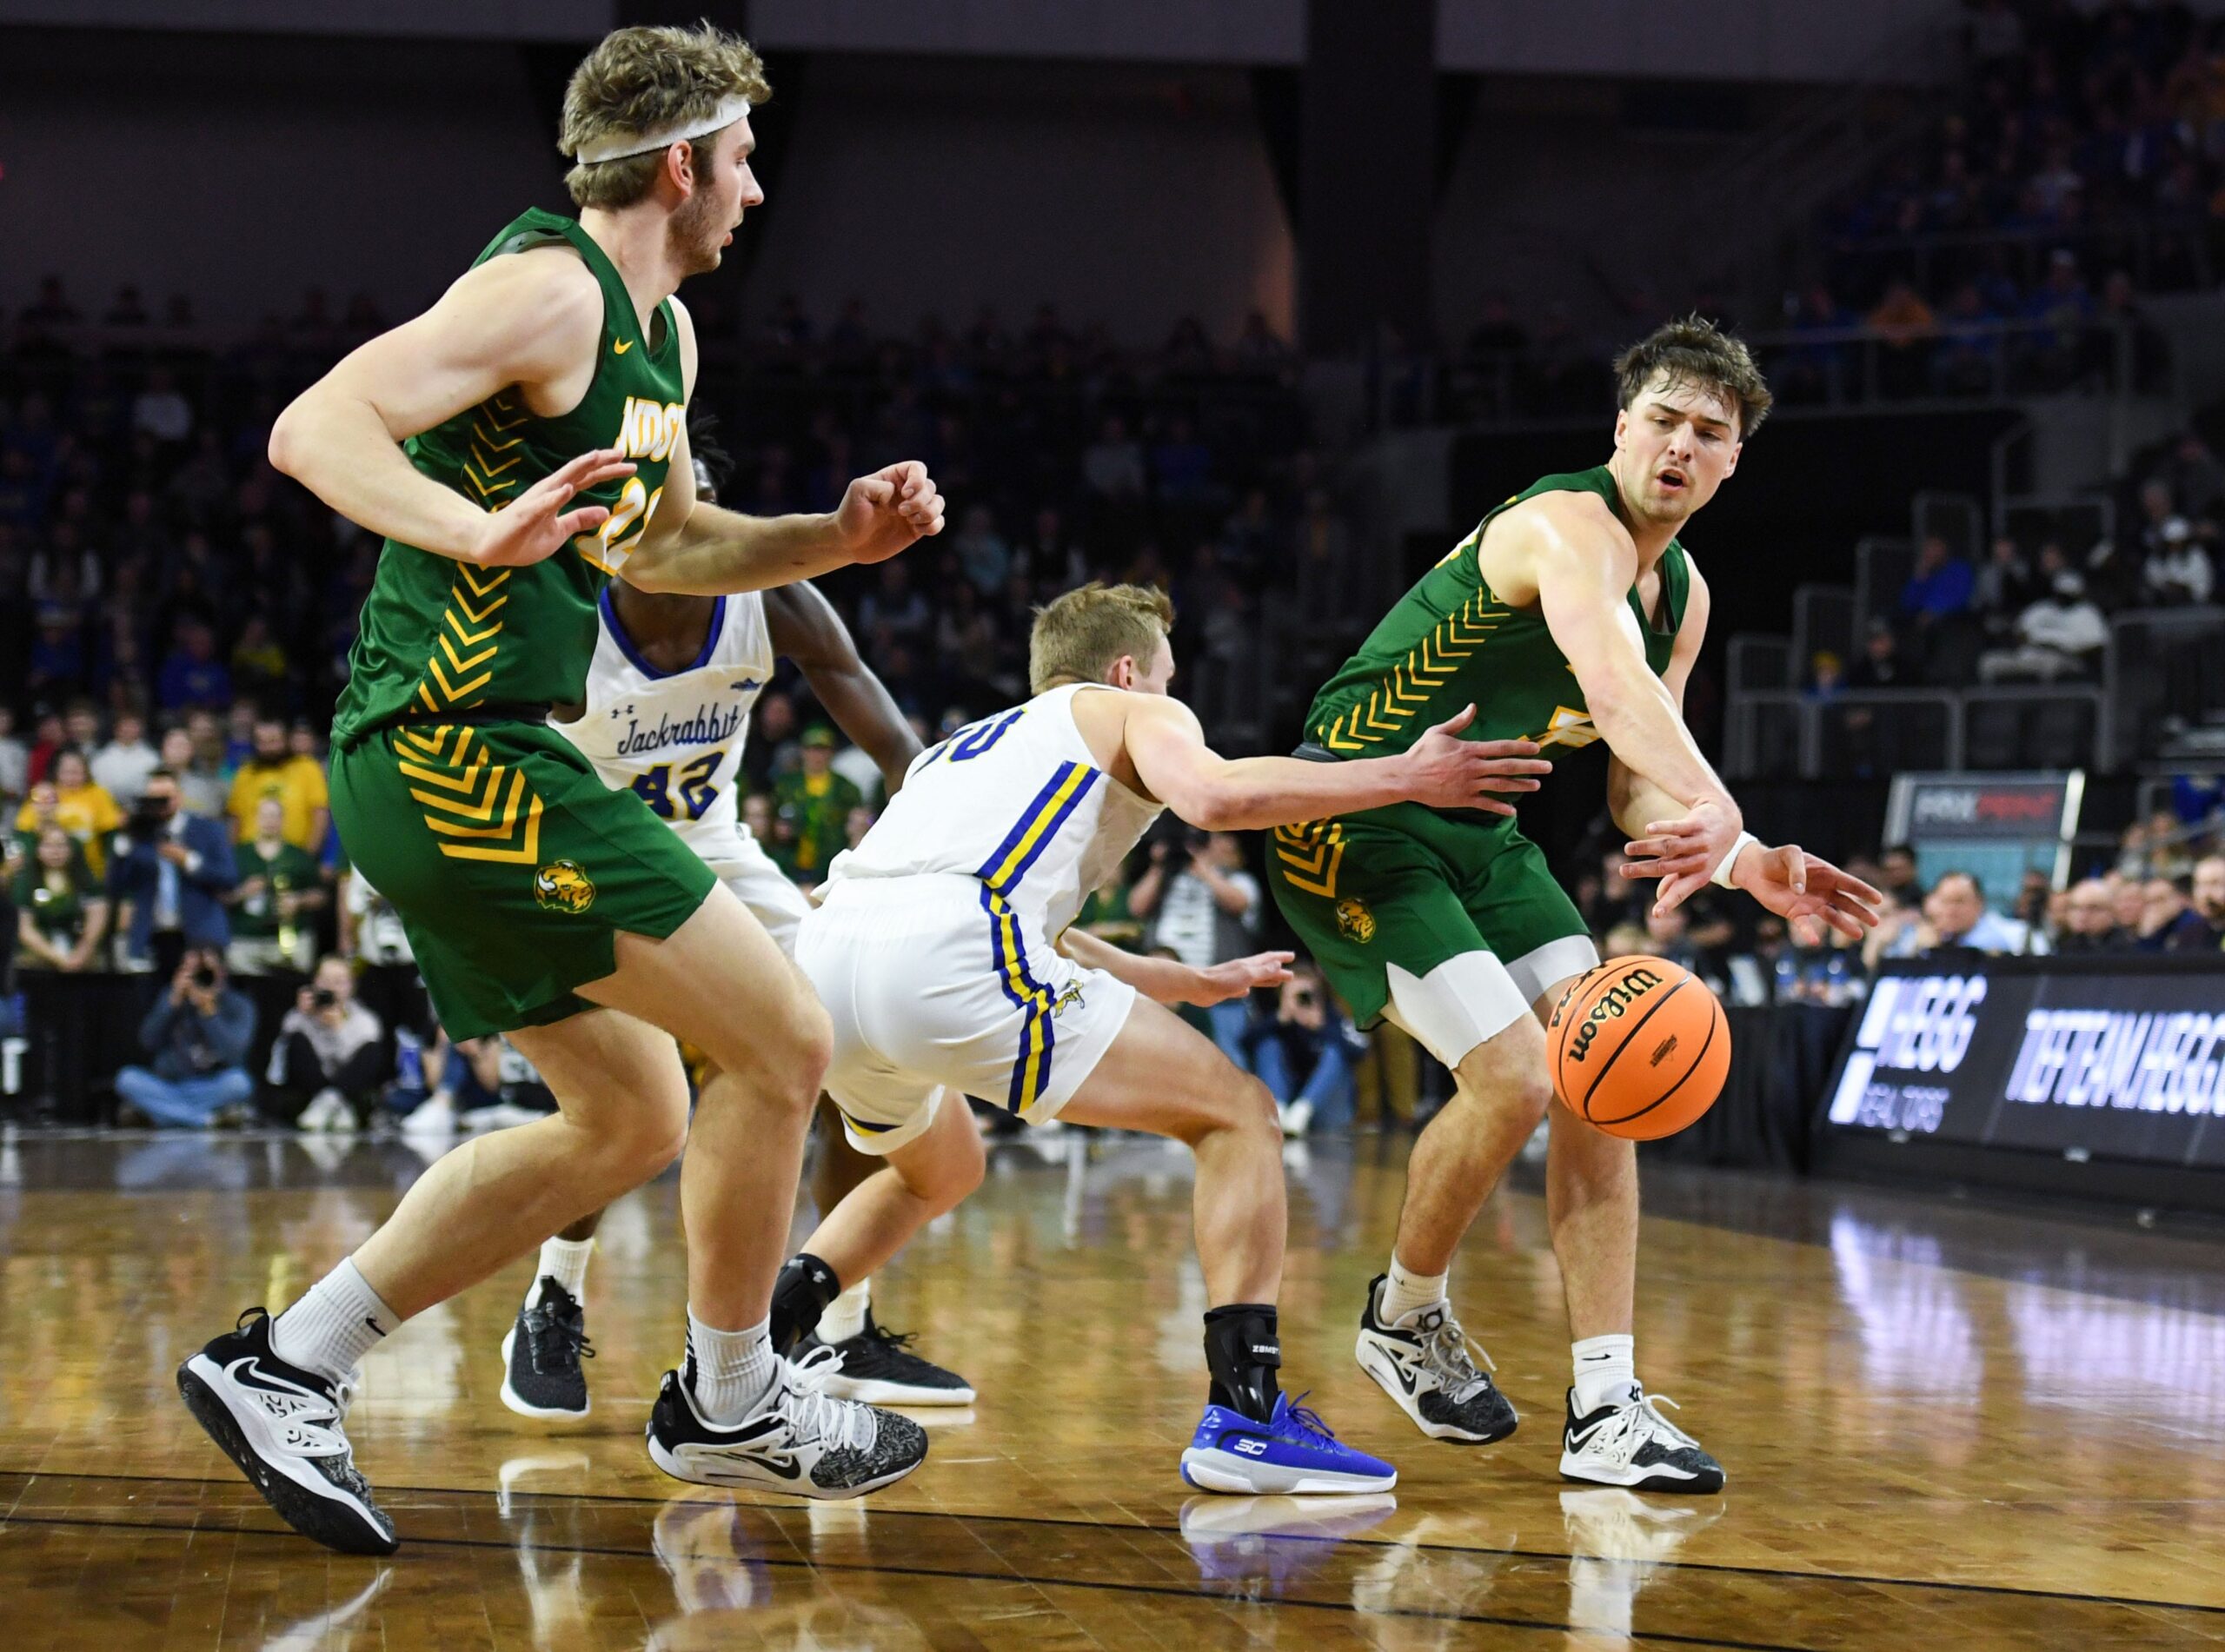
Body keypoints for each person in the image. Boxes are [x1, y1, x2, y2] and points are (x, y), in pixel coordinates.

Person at [176, 23, 948, 1557]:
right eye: (741, 161)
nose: (754, 191)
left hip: (490, 750)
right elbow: (313, 425)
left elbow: (662, 547)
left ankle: (285, 1364)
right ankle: (730, 1394)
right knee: (783, 1036)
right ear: (680, 163)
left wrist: (832, 544)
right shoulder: (548, 289)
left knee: (634, 1115)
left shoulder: (661, 341)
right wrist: (469, 532)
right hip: (450, 743)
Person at [1265, 318, 1880, 1496]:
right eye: (1663, 419)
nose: (1682, 445)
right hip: (1358, 813)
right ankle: (1405, 1314)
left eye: (1711, 432)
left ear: (1735, 459)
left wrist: (1742, 857)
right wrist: (1722, 796)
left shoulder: (1684, 594)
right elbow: (1607, 684)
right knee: (1514, 1073)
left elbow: (1633, 774)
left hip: (1485, 837)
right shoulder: (1564, 527)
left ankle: (1605, 1401)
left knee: (1604, 1071)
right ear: (1620, 427)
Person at [787, 581, 1550, 1495]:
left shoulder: (960, 749)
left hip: (830, 960)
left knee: (940, 1168)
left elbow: (1029, 918)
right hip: (947, 954)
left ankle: (751, 1356)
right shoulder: (1127, 708)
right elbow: (1214, 795)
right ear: (1125, 669)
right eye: (1168, 676)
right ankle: (1249, 1417)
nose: (1173, 694)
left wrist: (1176, 980)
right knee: (1239, 1115)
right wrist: (1405, 775)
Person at [511, 432, 970, 1423]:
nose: (704, 530)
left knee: (857, 1039)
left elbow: (898, 745)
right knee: (639, 1096)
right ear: (628, 529)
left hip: (712, 847)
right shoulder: (567, 626)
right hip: (590, 852)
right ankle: (556, 1288)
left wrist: (965, 827)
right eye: (678, 510)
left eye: (709, 504)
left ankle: (833, 1323)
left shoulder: (776, 600)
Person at [1129, 828, 1264, 1066]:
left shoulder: (1235, 878)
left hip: (1217, 992)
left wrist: (1203, 869)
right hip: (1167, 987)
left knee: (1227, 1060)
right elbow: (1136, 907)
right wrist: (1160, 865)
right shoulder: (1166, 878)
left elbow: (1238, 902)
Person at [106, 767, 238, 977]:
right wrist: (124, 838)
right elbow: (116, 886)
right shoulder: (140, 835)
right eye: (152, 799)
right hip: (152, 936)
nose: (157, 806)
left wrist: (189, 861)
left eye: (163, 799)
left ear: (178, 798)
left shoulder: (208, 830)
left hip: (199, 934)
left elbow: (229, 877)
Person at [114, 946, 257, 1128]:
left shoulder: (238, 1005)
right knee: (126, 1080)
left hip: (212, 1086)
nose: (199, 978)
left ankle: (163, 1114)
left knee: (240, 1083)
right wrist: (171, 1004)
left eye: (206, 972)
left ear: (221, 973)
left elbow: (234, 1054)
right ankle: (206, 1119)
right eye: (192, 972)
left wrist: (209, 1014)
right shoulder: (172, 997)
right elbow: (146, 1042)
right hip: (169, 1085)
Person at [266, 955, 388, 1131]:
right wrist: (302, 1015)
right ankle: (325, 1104)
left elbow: (361, 1064)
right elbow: (280, 1057)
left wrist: (339, 1029)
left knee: (372, 1049)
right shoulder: (300, 1016)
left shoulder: (365, 1020)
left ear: (351, 986)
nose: (331, 987)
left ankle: (331, 1102)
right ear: (314, 981)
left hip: (348, 1091)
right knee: (296, 1040)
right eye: (325, 980)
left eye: (339, 982)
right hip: (310, 1089)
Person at [1245, 965, 1366, 1138]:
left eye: (1306, 995)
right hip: (1286, 1102)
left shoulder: (1331, 1017)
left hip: (1326, 1108)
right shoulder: (1274, 1019)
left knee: (1334, 1052)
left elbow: (1361, 1049)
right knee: (1268, 1045)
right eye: (1294, 995)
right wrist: (1279, 1019)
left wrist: (1322, 1028)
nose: (1301, 1000)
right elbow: (1246, 1041)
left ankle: (1302, 1110)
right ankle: (1278, 1109)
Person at [228, 795, 328, 976]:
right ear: (255, 818)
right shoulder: (238, 855)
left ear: (283, 819)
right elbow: (221, 896)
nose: (270, 821)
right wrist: (243, 892)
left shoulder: (298, 856)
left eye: (275, 816)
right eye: (265, 815)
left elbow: (320, 895)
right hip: (247, 938)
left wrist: (298, 901)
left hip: (292, 937)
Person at [227, 714, 330, 853]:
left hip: (295, 856)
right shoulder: (245, 773)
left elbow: (320, 815)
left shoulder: (308, 768)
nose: (268, 747)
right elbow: (235, 820)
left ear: (287, 739)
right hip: (251, 857)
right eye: (261, 742)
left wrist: (308, 857)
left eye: (274, 741)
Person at [12, 825, 108, 972]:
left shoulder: (84, 879)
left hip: (80, 954)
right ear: (37, 850)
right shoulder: (26, 882)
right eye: (48, 845)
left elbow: (97, 916)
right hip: (38, 956)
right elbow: (24, 929)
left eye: (61, 846)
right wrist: (59, 959)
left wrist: (81, 954)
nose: (55, 852)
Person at [771, 725, 860, 882]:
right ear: (803, 752)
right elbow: (771, 818)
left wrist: (863, 823)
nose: (817, 755)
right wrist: (777, 828)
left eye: (823, 750)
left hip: (831, 863)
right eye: (812, 749)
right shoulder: (786, 785)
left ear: (832, 753)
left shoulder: (846, 789)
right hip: (791, 861)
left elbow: (866, 819)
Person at [1884, 870, 2043, 957]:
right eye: (1945, 902)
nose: (1951, 910)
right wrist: (1916, 950)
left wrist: (1934, 951)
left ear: (1979, 905)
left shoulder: (1992, 938)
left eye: (1959, 902)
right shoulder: (1921, 933)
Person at [92, 708, 163, 808]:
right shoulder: (101, 758)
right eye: (125, 725)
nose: (129, 729)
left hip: (144, 812)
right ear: (116, 728)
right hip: (108, 811)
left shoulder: (152, 759)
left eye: (133, 725)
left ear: (141, 728)